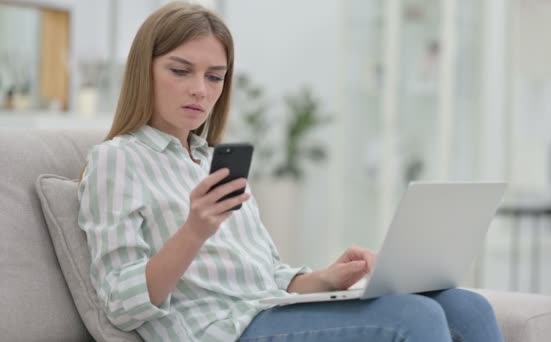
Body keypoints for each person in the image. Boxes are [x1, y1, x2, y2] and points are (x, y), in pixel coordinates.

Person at [78, 2, 504, 341]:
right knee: (413, 316)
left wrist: (324, 279)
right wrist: (193, 231)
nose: (200, 90)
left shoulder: (213, 161)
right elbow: (120, 302)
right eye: (180, 70)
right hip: (220, 330)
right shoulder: (118, 159)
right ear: (143, 69)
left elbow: (268, 276)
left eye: (215, 77)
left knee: (466, 306)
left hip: (266, 309)